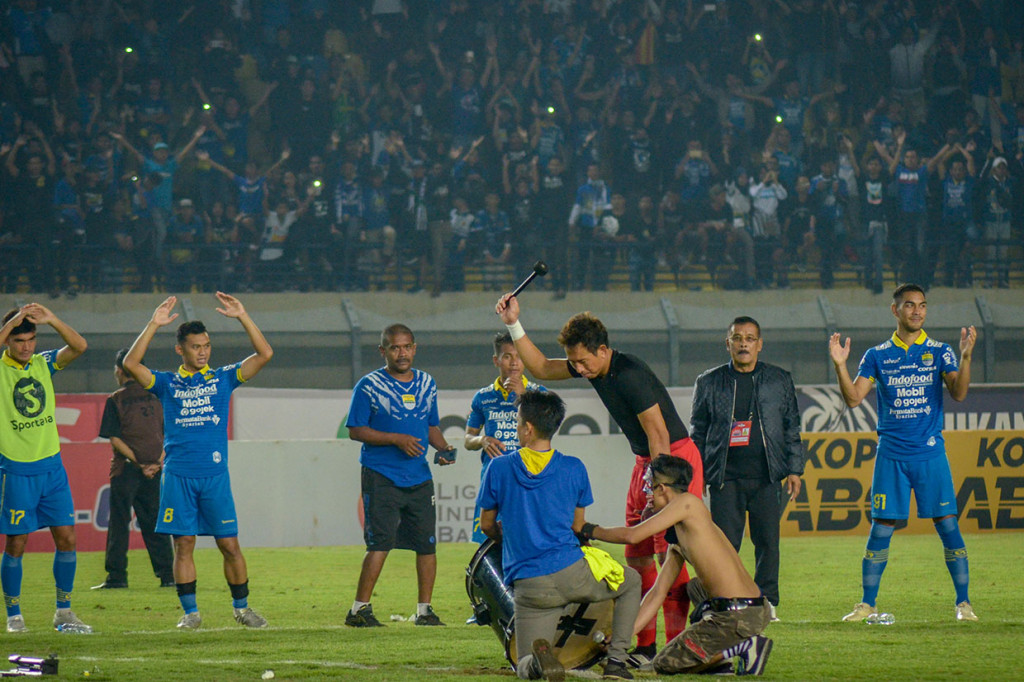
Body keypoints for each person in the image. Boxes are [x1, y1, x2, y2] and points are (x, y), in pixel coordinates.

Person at [496, 294, 704, 665]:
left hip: (671, 460)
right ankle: (644, 647)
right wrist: (514, 323)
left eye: (583, 361)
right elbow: (542, 368)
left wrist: (659, 486)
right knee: (637, 556)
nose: (579, 368)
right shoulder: (594, 365)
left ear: (603, 350)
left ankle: (679, 646)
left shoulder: (629, 373)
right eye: (574, 361)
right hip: (648, 462)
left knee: (668, 552)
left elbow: (658, 432)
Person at [828, 284, 979, 623]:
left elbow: (958, 393)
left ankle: (964, 604)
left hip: (929, 454)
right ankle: (867, 604)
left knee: (948, 525)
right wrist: (840, 365)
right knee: (880, 528)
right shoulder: (877, 355)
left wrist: (967, 357)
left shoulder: (940, 351)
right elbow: (854, 399)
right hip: (891, 455)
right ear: (895, 311)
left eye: (922, 306)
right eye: (909, 306)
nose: (917, 311)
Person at [122, 292, 273, 629]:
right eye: (195, 346)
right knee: (184, 545)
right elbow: (130, 365)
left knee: (229, 544)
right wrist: (153, 324)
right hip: (178, 476)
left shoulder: (223, 378)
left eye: (206, 345)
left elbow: (265, 354)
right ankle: (191, 614)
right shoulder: (166, 383)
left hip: (214, 476)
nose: (203, 351)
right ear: (181, 349)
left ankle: (242, 608)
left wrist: (243, 316)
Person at [478, 389, 641, 681]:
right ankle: (616, 662)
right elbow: (578, 527)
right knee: (631, 582)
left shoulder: (498, 467)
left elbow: (487, 525)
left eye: (517, 422)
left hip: (530, 584)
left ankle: (537, 664)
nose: (517, 427)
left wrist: (509, 539)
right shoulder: (574, 468)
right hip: (572, 572)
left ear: (528, 428)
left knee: (524, 663)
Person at [580, 455, 773, 676]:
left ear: (662, 488)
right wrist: (624, 635)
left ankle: (743, 647)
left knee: (664, 663)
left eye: (649, 489)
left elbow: (633, 536)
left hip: (738, 615)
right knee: (693, 587)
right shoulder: (680, 537)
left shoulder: (688, 503)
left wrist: (586, 529)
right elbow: (656, 594)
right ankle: (719, 658)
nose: (647, 496)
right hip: (748, 608)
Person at [690, 316, 805, 620]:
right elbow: (698, 432)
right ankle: (726, 600)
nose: (743, 343)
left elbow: (791, 426)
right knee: (725, 547)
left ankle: (767, 603)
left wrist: (795, 469)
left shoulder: (779, 379)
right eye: (737, 338)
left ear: (760, 345)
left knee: (768, 544)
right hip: (725, 478)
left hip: (768, 476)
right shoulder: (708, 382)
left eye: (750, 338)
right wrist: (697, 474)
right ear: (727, 344)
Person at [345, 324, 457, 628]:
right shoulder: (368, 386)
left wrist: (444, 446)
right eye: (395, 347)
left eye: (407, 346)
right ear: (383, 351)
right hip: (381, 475)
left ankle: (425, 611)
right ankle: (359, 609)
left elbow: (430, 425)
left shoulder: (427, 383)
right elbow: (356, 430)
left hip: (419, 476)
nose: (402, 353)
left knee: (427, 544)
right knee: (380, 543)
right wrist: (396, 439)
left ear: (415, 348)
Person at [0, 304, 91, 633]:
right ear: (8, 341)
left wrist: (53, 319)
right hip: (16, 471)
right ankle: (14, 617)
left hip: (52, 469)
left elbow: (79, 346)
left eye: (31, 339)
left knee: (67, 538)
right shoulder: (0, 371)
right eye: (18, 339)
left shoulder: (43, 364)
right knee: (16, 544)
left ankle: (64, 613)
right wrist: (9, 322)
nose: (26, 346)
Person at [93, 348, 174, 590]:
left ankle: (117, 577)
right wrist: (156, 463)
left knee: (119, 522)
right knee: (155, 523)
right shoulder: (158, 397)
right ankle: (168, 576)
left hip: (126, 470)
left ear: (119, 371)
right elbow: (170, 435)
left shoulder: (115, 399)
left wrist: (138, 463)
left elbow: (115, 439)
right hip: (156, 469)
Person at [465, 331, 545, 544]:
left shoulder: (539, 394)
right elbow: (467, 439)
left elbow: (546, 431)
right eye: (508, 356)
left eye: (519, 356)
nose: (514, 362)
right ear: (496, 360)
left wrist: (523, 398)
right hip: (494, 479)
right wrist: (481, 440)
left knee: (528, 540)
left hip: (529, 478)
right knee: (489, 540)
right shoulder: (483, 397)